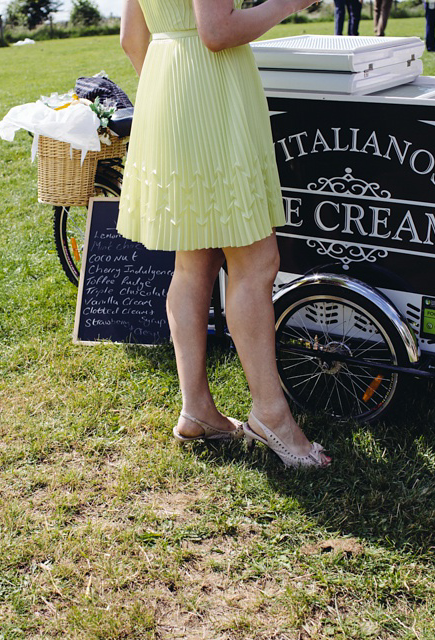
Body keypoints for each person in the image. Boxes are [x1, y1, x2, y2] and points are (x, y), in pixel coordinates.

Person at [118, 0, 330, 466]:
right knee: (256, 263)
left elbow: (132, 38)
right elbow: (216, 30)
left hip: (169, 87)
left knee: (193, 263)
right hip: (211, 92)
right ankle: (271, 415)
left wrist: (168, 86)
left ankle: (197, 410)